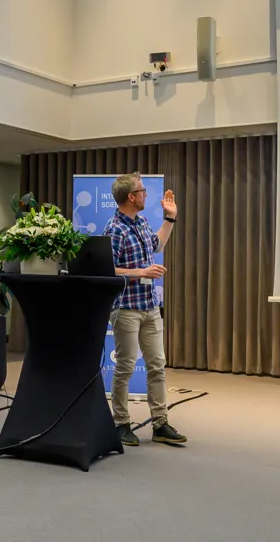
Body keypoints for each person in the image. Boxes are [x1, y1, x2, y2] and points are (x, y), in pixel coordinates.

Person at [104, 172, 187, 447]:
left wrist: (170, 218)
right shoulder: (114, 229)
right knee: (125, 367)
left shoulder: (140, 222)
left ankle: (160, 423)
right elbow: (106, 270)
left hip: (150, 306)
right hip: (126, 308)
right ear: (131, 197)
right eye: (142, 191)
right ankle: (121, 424)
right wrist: (141, 272)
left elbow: (157, 244)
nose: (146, 195)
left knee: (157, 366)